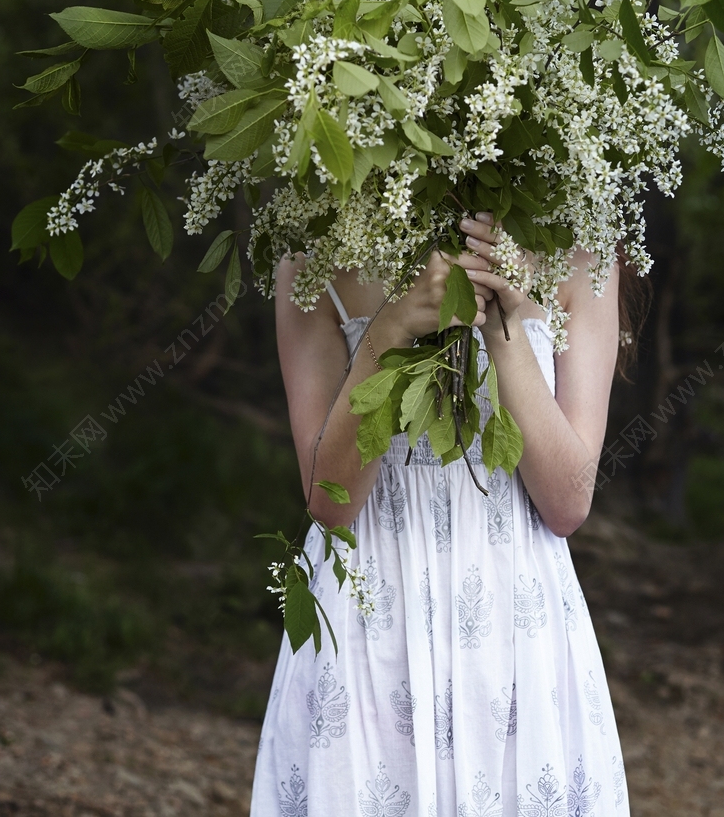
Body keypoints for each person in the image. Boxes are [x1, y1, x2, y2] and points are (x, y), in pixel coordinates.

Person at [253, 211, 632, 817]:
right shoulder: (315, 252)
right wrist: (396, 322)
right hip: (372, 614)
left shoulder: (581, 249)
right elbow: (330, 501)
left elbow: (568, 501)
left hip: (517, 624)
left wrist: (502, 323)